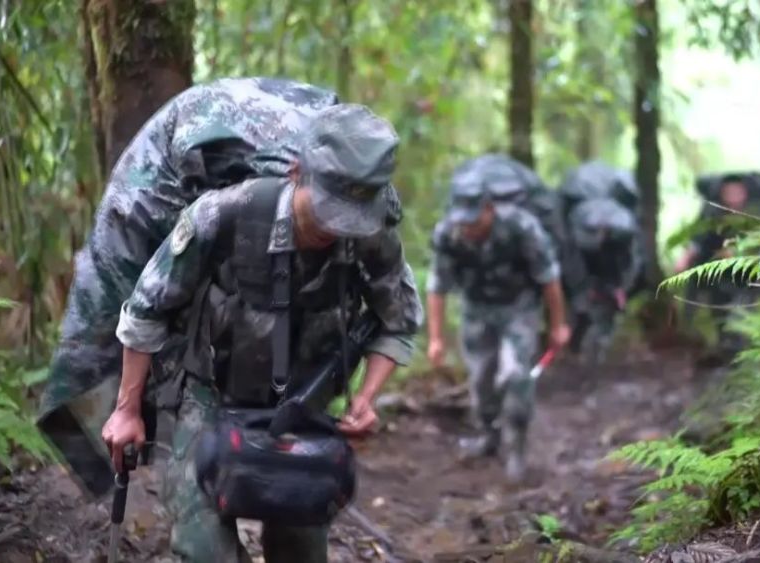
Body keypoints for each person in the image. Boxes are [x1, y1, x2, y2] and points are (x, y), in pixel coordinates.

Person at [99, 104, 423, 562]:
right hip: (207, 396)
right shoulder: (221, 216)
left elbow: (398, 320)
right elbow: (146, 311)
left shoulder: (371, 234)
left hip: (303, 405)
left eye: (352, 215)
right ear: (297, 172)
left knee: (300, 551)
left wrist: (366, 398)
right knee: (203, 549)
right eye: (328, 207)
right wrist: (127, 410)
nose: (336, 227)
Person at [425, 166, 571, 484]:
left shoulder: (521, 227)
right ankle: (489, 436)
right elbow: (438, 286)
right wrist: (435, 338)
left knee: (517, 376)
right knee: (481, 382)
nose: (468, 228)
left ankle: (516, 447)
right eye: (463, 220)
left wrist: (558, 325)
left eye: (474, 221)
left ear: (490, 209)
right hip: (477, 311)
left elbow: (549, 278)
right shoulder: (448, 233)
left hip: (518, 309)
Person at [673, 172, 760, 353]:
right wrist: (687, 256)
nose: (733, 196)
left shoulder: (759, 212)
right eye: (728, 192)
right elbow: (699, 238)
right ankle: (724, 345)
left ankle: (740, 348)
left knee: (742, 310)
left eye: (737, 191)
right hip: (718, 274)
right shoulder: (712, 211)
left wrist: (743, 254)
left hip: (749, 275)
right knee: (719, 310)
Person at [558, 162, 643, 364]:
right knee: (580, 313)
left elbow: (630, 260)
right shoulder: (572, 231)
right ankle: (575, 350)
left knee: (606, 316)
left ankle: (596, 355)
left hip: (609, 275)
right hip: (579, 275)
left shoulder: (624, 232)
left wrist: (621, 287)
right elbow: (569, 263)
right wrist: (582, 292)